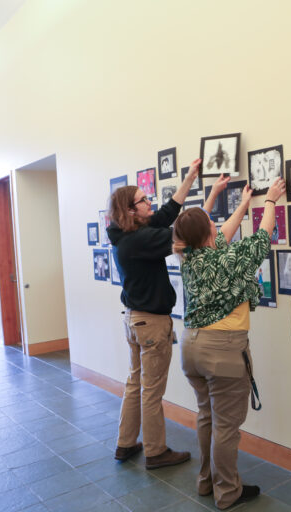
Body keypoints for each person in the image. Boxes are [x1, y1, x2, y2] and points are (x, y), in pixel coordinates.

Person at [172, 177, 287, 510]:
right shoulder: (226, 259)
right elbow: (261, 239)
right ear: (206, 233)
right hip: (221, 351)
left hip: (191, 347)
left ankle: (207, 482)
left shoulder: (190, 257)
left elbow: (218, 234)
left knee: (207, 417)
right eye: (211, 223)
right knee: (226, 426)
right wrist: (270, 201)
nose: (216, 225)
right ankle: (228, 492)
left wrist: (241, 203)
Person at [106, 158, 202, 469]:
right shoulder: (139, 240)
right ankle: (156, 451)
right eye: (143, 200)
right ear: (130, 210)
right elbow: (182, 232)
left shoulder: (126, 237)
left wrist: (189, 179)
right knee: (152, 389)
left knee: (136, 383)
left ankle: (125, 443)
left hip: (134, 320)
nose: (150, 203)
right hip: (151, 324)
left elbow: (165, 215)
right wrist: (207, 213)